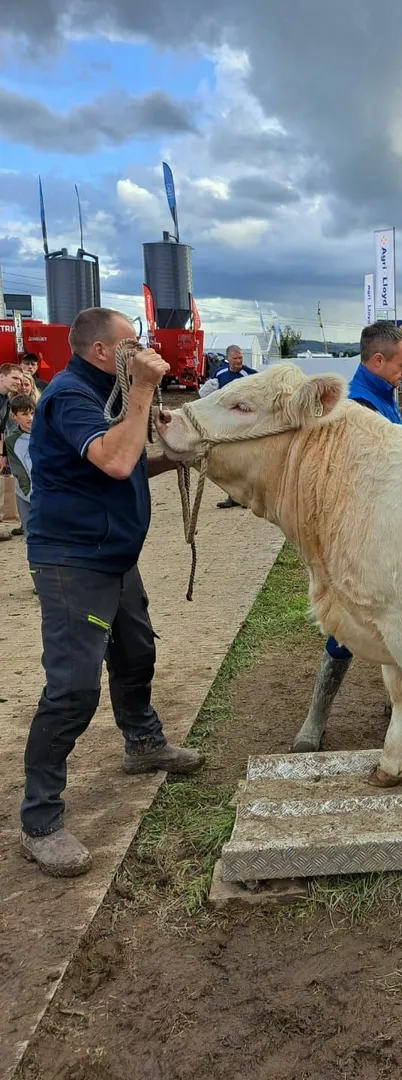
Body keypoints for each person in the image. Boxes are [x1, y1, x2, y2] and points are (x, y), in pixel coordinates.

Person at [19, 307, 204, 879]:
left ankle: (142, 743)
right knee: (73, 690)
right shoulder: (71, 396)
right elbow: (115, 460)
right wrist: (146, 388)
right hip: (72, 562)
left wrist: (173, 457)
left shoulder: (110, 389)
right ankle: (40, 821)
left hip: (113, 557)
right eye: (133, 345)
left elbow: (122, 466)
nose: (144, 350)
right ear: (101, 351)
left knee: (136, 652)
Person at [292, 322, 402, 752]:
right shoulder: (354, 408)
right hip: (360, 535)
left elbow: (398, 453)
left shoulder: (382, 397)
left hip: (390, 527)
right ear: (377, 361)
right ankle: (315, 718)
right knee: (348, 629)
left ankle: (399, 707)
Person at [215, 345, 258, 507]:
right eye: (235, 358)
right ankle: (233, 496)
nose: (239, 361)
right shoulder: (219, 373)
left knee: (246, 461)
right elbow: (211, 392)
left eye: (240, 358)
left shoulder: (250, 375)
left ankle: (248, 498)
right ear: (228, 359)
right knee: (229, 462)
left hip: (244, 426)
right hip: (225, 425)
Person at [4, 392, 36, 589]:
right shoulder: (11, 441)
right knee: (32, 537)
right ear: (14, 416)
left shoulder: (46, 432)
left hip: (49, 491)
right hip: (27, 495)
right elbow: (19, 473)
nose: (30, 418)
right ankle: (39, 581)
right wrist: (33, 496)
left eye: (32, 412)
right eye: (24, 414)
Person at [0, 363, 26, 542]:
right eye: (15, 378)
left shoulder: (5, 400)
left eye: (20, 379)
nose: (19, 382)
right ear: (2, 376)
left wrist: (2, 455)